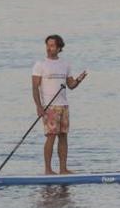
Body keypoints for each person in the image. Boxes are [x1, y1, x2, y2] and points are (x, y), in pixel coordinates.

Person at [32, 34, 87, 175]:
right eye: (47, 45)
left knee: (63, 136)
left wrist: (79, 79)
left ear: (59, 48)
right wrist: (39, 106)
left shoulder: (65, 64)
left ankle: (63, 169)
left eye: (52, 46)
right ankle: (48, 170)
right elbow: (34, 87)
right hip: (49, 107)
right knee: (51, 136)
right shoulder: (40, 65)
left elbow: (71, 85)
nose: (49, 49)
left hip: (63, 105)